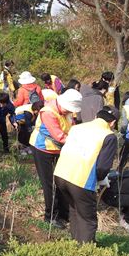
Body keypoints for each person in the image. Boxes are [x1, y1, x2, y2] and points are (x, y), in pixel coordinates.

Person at [54, 106, 119, 243]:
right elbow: (102, 167)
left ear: (96, 116)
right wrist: (101, 179)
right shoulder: (109, 136)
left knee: (75, 209)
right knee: (88, 218)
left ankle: (75, 243)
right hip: (81, 179)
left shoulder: (77, 127)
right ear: (112, 123)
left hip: (61, 174)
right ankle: (86, 252)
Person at [30, 89, 82, 228]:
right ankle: (50, 216)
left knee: (61, 180)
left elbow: (72, 127)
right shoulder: (48, 112)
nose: (69, 112)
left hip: (59, 149)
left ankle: (63, 213)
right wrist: (80, 142)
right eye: (68, 109)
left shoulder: (66, 111)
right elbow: (59, 136)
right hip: (43, 149)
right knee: (49, 184)